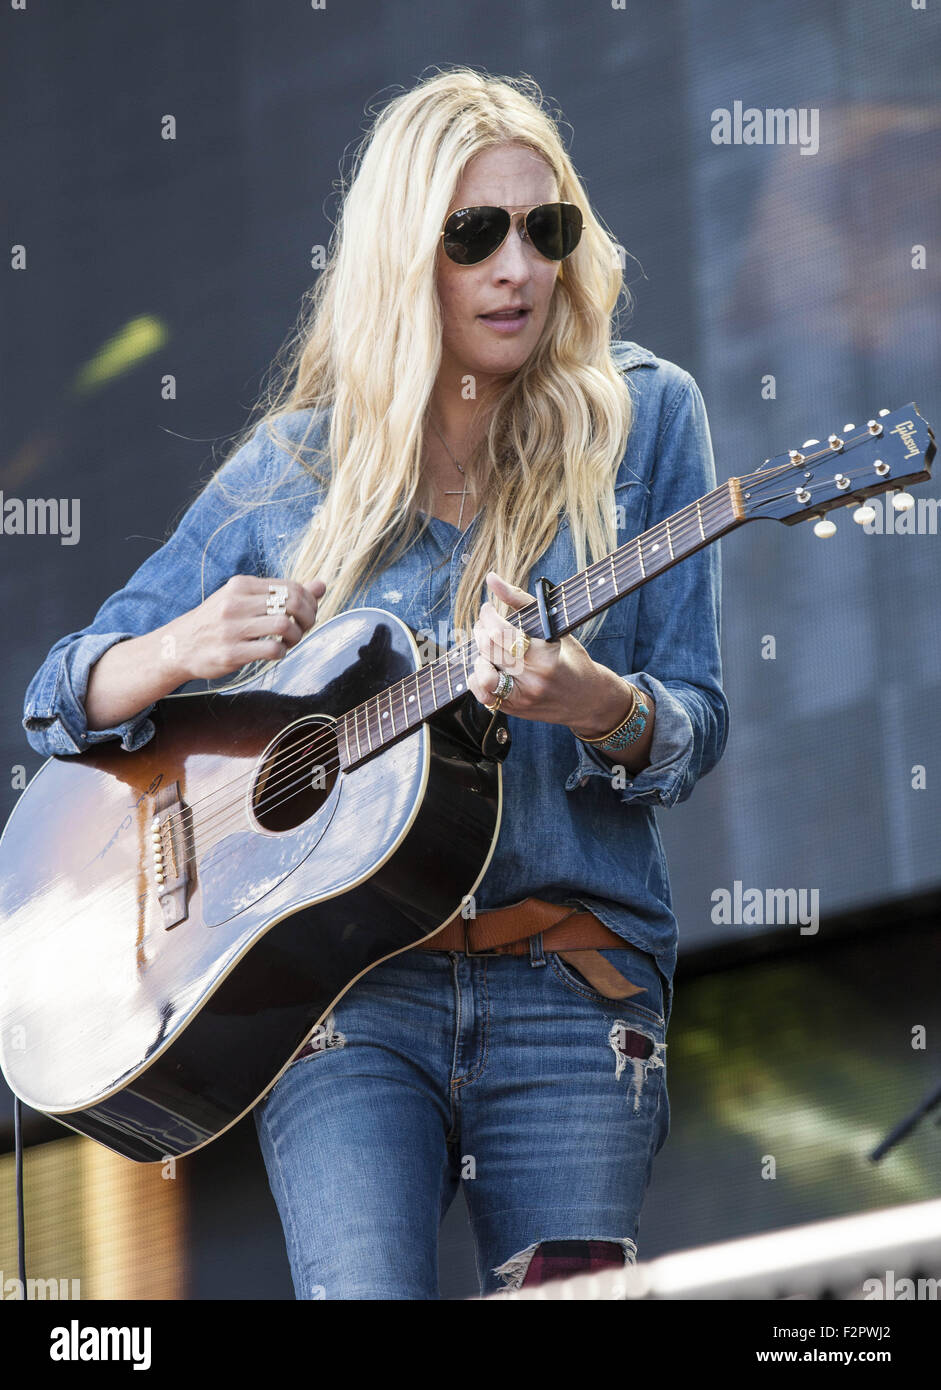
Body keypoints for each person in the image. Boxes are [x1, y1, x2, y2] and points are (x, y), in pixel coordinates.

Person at [22, 67, 729, 1300]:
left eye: (544, 228)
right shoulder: (291, 467)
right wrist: (182, 647)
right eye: (474, 234)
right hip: (342, 997)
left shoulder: (646, 419)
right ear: (408, 256)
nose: (518, 265)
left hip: (571, 983)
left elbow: (694, 720)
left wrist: (594, 706)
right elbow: (60, 699)